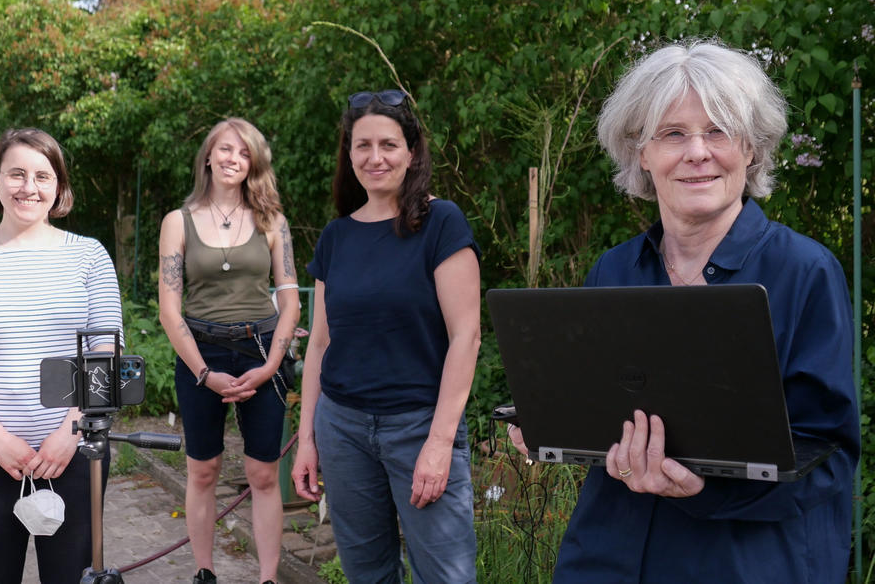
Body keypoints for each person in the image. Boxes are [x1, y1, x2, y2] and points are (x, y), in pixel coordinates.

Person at [510, 39, 859, 582]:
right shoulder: (613, 272)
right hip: (608, 558)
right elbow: (602, 415)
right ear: (641, 154)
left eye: (718, 130)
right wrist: (550, 422)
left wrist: (705, 488)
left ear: (751, 148)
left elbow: (830, 459)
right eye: (673, 134)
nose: (698, 151)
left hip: (743, 563)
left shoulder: (805, 272)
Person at [291, 89, 482, 583]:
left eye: (389, 145)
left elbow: (467, 337)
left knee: (446, 576)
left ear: (412, 151)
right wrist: (307, 438)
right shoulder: (336, 236)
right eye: (363, 146)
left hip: (420, 426)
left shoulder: (442, 222)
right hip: (343, 429)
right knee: (368, 575)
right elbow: (319, 344)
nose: (375, 158)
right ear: (349, 154)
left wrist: (440, 444)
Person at [0, 128, 124, 583]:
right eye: (16, 174)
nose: (29, 187)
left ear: (59, 188)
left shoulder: (89, 256)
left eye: (43, 176)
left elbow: (107, 353)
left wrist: (71, 430)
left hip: (74, 456)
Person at [158, 117, 299, 584]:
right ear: (208, 156)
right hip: (202, 354)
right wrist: (202, 373)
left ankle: (268, 577)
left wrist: (271, 366)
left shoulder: (273, 221)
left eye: (243, 153)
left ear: (252, 162)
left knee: (262, 473)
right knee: (204, 470)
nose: (232, 159)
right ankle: (204, 572)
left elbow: (290, 299)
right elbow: (169, 310)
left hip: (262, 351)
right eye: (224, 149)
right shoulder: (177, 223)